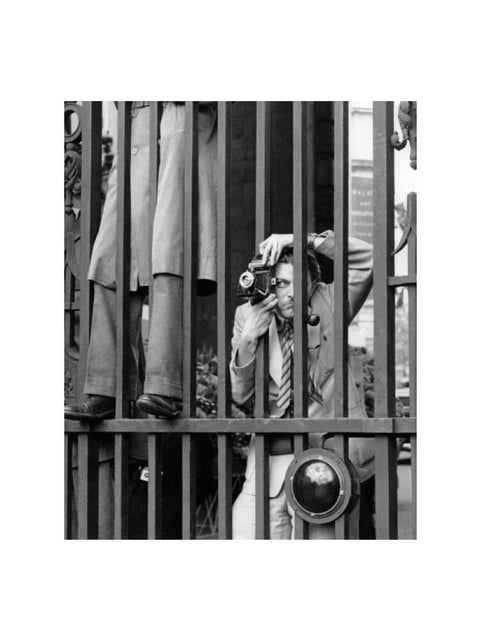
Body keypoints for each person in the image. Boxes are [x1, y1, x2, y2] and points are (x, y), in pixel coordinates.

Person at [65, 101, 218, 538]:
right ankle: (106, 387)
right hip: (136, 131)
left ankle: (164, 387)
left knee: (169, 255)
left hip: (178, 118)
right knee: (110, 258)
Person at [230, 230, 375, 539]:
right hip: (268, 464)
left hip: (327, 462)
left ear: (311, 284)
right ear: (268, 283)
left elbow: (368, 260)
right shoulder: (247, 314)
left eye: (298, 283)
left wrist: (302, 239)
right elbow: (240, 396)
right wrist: (248, 340)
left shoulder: (330, 301)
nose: (290, 293)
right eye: (281, 283)